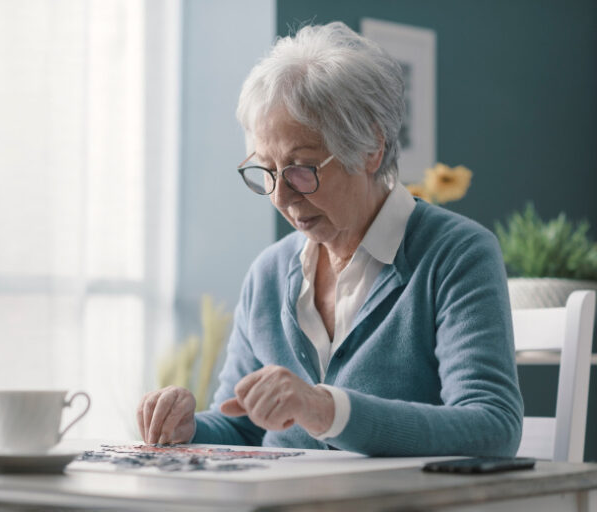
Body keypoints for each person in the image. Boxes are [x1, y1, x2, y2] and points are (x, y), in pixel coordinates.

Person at [137, 22, 523, 456]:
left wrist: (328, 410)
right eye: (265, 171)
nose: (281, 196)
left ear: (371, 148)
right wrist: (187, 427)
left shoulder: (456, 255)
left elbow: (493, 427)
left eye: (302, 168)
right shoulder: (268, 273)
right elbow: (241, 429)